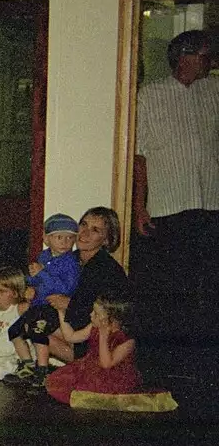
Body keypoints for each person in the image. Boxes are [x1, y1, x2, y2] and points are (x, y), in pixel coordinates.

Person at [132, 30, 218, 332]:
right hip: (169, 203)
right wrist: (139, 206)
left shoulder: (213, 91)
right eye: (204, 55)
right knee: (173, 282)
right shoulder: (151, 95)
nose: (209, 61)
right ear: (185, 57)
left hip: (210, 200)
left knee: (208, 281)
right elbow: (140, 154)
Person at [46, 207, 131, 372]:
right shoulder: (71, 258)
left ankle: (86, 366)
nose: (84, 233)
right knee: (31, 316)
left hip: (99, 334)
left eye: (95, 230)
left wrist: (71, 305)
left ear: (106, 240)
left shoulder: (106, 269)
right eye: (83, 224)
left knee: (38, 323)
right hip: (75, 324)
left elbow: (111, 314)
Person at [5, 213, 80, 381]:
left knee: (38, 333)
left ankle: (42, 369)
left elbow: (66, 288)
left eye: (69, 238)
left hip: (52, 308)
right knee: (15, 331)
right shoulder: (44, 257)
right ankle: (27, 365)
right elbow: (36, 279)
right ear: (47, 239)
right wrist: (30, 286)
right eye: (59, 237)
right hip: (37, 305)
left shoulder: (70, 263)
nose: (64, 242)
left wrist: (42, 273)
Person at [45, 293, 141, 404]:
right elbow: (71, 337)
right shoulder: (94, 326)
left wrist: (103, 337)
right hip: (91, 366)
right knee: (57, 382)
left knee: (86, 390)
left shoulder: (127, 340)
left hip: (111, 376)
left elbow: (106, 364)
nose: (90, 315)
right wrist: (61, 312)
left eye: (95, 314)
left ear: (110, 319)